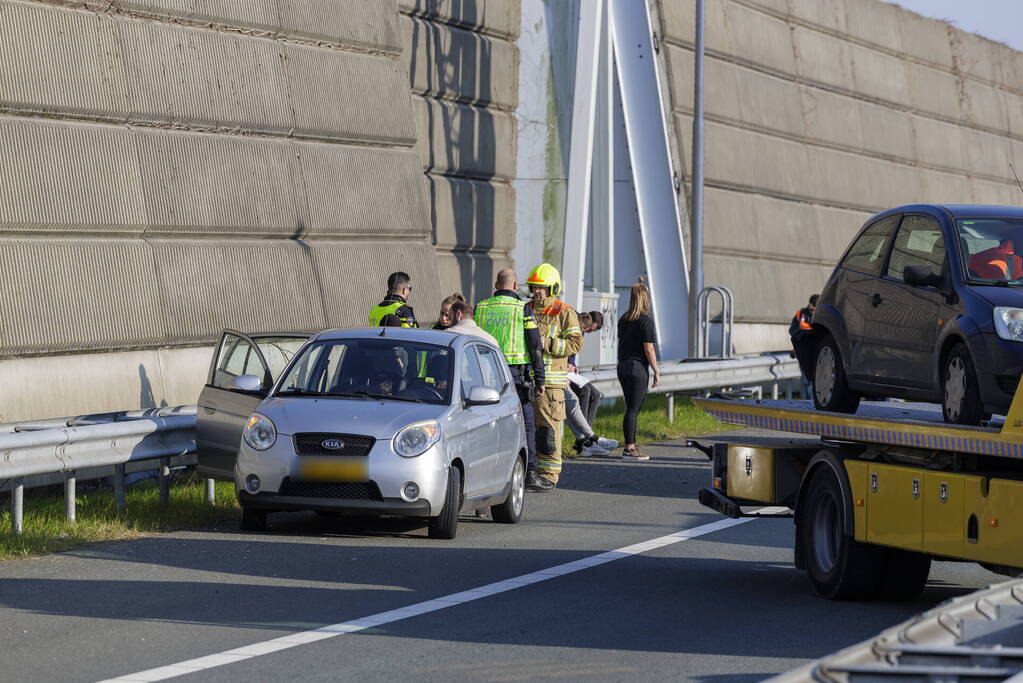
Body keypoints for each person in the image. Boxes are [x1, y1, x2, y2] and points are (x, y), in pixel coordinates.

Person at [475, 269, 547, 489]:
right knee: (526, 423)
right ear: (515, 286)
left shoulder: (482, 307)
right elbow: (535, 345)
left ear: (497, 285)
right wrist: (540, 379)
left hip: (485, 374)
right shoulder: (522, 308)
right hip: (514, 375)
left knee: (486, 425)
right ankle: (530, 474)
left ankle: (485, 476)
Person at [526, 263, 583, 490]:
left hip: (551, 384)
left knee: (548, 431)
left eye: (541, 288)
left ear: (553, 288)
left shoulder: (564, 312)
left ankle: (549, 476)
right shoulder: (526, 309)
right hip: (528, 380)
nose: (536, 292)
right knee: (529, 430)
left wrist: (546, 343)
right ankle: (532, 473)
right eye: (534, 287)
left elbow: (576, 343)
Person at [616, 278, 659, 461]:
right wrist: (656, 370)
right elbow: (648, 348)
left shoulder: (623, 319)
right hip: (637, 367)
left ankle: (629, 445)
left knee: (629, 407)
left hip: (623, 365)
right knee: (634, 408)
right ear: (644, 299)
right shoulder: (646, 321)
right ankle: (630, 448)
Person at [565, 313, 616, 457]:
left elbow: (572, 354)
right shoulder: (575, 326)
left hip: (570, 369)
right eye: (589, 330)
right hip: (564, 370)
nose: (587, 332)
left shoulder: (581, 327)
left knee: (596, 394)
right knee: (585, 392)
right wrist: (568, 364)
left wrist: (572, 365)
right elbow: (566, 348)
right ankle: (586, 438)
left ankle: (587, 433)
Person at [789, 294, 819, 399]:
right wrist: (803, 334)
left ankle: (814, 402)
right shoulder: (800, 314)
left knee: (816, 379)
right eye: (812, 307)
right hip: (803, 351)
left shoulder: (822, 315)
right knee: (807, 379)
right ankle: (811, 403)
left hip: (817, 352)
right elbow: (792, 330)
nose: (813, 309)